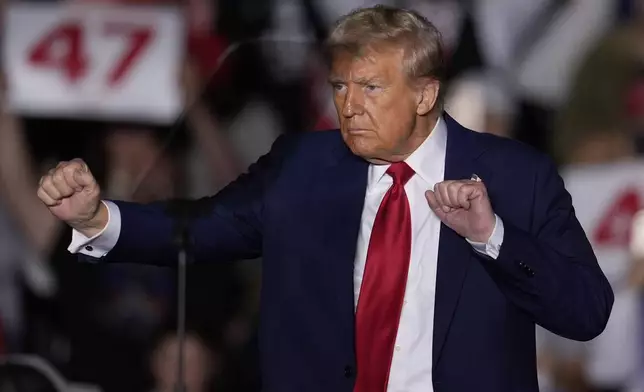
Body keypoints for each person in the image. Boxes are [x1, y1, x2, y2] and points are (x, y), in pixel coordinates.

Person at [37, 5, 613, 392]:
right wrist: (97, 216)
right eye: (340, 86)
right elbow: (203, 226)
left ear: (424, 95)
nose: (349, 105)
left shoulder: (515, 177)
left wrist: (495, 238)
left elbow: (586, 314)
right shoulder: (302, 167)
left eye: (371, 87)